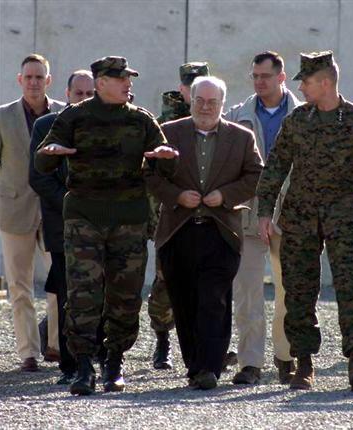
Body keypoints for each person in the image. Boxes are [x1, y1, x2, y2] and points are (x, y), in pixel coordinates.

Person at [35, 56, 179, 396]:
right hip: (84, 218)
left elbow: (165, 166)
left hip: (128, 220)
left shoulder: (141, 120)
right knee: (84, 295)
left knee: (126, 296)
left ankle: (114, 361)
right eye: (121, 78)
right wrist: (52, 153)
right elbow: (41, 162)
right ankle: (83, 366)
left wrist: (165, 157)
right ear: (100, 83)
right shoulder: (75, 116)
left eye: (129, 78)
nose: (128, 83)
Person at [256, 51, 353, 392]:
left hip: (343, 213)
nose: (300, 87)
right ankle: (304, 362)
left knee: (350, 285)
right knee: (299, 289)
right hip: (300, 214)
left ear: (326, 83)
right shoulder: (298, 120)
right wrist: (263, 212)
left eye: (306, 81)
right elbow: (275, 167)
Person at [148, 76, 263, 390]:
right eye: (200, 100)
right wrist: (175, 196)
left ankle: (209, 367)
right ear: (191, 99)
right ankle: (195, 365)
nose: (206, 107)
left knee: (214, 299)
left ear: (223, 104)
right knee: (184, 302)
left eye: (213, 102)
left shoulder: (240, 138)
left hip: (221, 231)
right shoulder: (167, 133)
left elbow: (256, 175)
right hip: (178, 230)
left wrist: (226, 195)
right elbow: (150, 175)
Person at [225, 51, 302, 384]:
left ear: (281, 77)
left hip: (291, 214)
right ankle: (250, 362)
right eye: (255, 76)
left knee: (290, 289)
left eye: (266, 77)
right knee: (247, 291)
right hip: (248, 213)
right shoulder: (237, 116)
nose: (259, 82)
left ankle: (286, 358)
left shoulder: (305, 116)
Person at [0, 53, 65, 372]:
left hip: (54, 210)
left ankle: (54, 344)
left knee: (59, 280)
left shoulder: (64, 116)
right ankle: (27, 352)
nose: (34, 82)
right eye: (29, 77)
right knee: (19, 285)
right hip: (14, 210)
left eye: (40, 77)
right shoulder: (2, 116)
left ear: (48, 81)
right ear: (20, 80)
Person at [28, 69, 95, 384]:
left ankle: (100, 357)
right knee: (68, 294)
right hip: (63, 225)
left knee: (103, 292)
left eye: (89, 94)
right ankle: (69, 364)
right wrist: (73, 202)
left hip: (103, 223)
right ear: (67, 94)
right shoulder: (46, 126)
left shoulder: (109, 126)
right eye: (78, 93)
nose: (84, 99)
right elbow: (39, 176)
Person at [150, 61, 210, 370]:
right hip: (170, 216)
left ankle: (204, 344)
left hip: (207, 215)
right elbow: (151, 177)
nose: (195, 90)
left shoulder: (215, 118)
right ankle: (162, 339)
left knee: (207, 282)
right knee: (167, 281)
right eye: (190, 85)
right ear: (182, 88)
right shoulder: (160, 126)